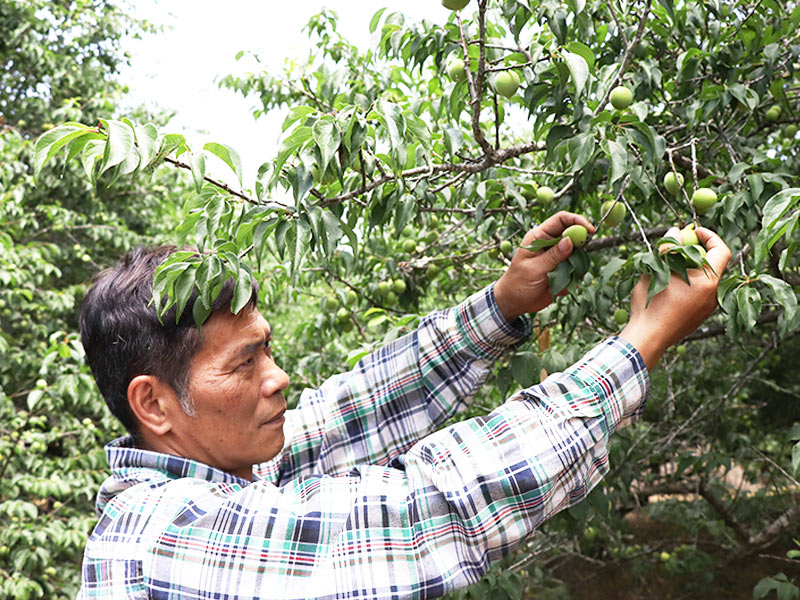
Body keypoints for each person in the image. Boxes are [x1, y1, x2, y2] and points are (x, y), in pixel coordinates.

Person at [75, 212, 730, 599]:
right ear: (154, 404)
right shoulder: (166, 535)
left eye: (265, 350)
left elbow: (351, 412)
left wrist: (501, 306)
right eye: (243, 364)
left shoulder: (220, 470)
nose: (278, 380)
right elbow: (426, 507)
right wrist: (642, 342)